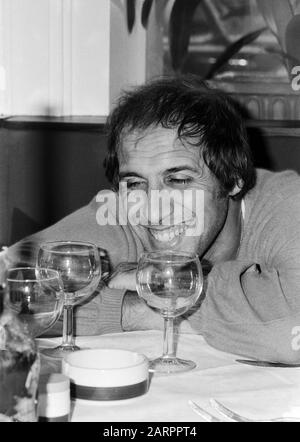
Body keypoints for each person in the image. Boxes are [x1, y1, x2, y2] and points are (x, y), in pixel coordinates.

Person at [3, 75, 300, 363]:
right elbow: (9, 291)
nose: (153, 211)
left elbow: (289, 334)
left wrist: (159, 290)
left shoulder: (287, 202)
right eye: (135, 183)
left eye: (180, 180)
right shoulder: (121, 213)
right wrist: (138, 307)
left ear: (233, 179)